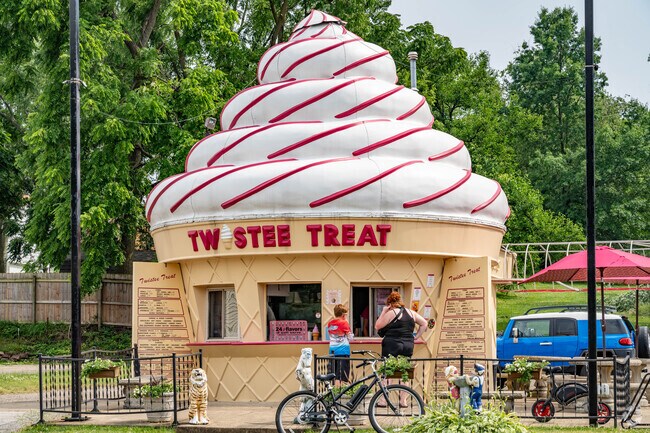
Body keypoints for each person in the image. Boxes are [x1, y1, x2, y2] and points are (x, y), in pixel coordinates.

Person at [375, 292, 427, 358]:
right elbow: (424, 323)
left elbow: (377, 326)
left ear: (389, 304)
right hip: (408, 345)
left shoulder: (391, 313)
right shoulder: (412, 313)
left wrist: (384, 311)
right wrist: (416, 337)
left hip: (393, 345)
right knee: (405, 366)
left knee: (390, 367)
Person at [326, 304, 354, 384]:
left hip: (332, 351)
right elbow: (350, 337)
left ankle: (334, 393)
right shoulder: (344, 323)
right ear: (343, 315)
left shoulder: (330, 323)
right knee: (341, 376)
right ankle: (339, 394)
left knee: (334, 375)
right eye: (346, 314)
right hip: (343, 351)